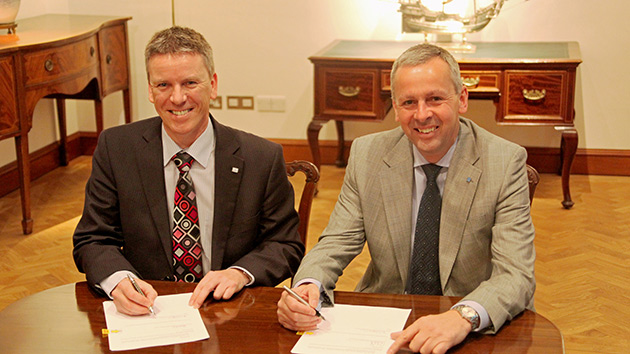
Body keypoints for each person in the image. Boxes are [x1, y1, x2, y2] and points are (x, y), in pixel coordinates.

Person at [277, 43, 535, 354]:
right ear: (395, 108)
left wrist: (462, 316)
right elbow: (336, 241)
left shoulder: (504, 162)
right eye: (409, 102)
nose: (422, 114)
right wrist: (308, 285)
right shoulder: (367, 154)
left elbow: (516, 275)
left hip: (467, 324)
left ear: (462, 99)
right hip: (384, 322)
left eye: (435, 99)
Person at [73, 26, 304, 316]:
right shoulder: (116, 148)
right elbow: (92, 239)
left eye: (190, 83)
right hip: (148, 313)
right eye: (163, 85)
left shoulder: (261, 158)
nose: (178, 98)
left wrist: (239, 273)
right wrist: (119, 280)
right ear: (149, 89)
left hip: (229, 313)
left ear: (213, 85)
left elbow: (285, 244)